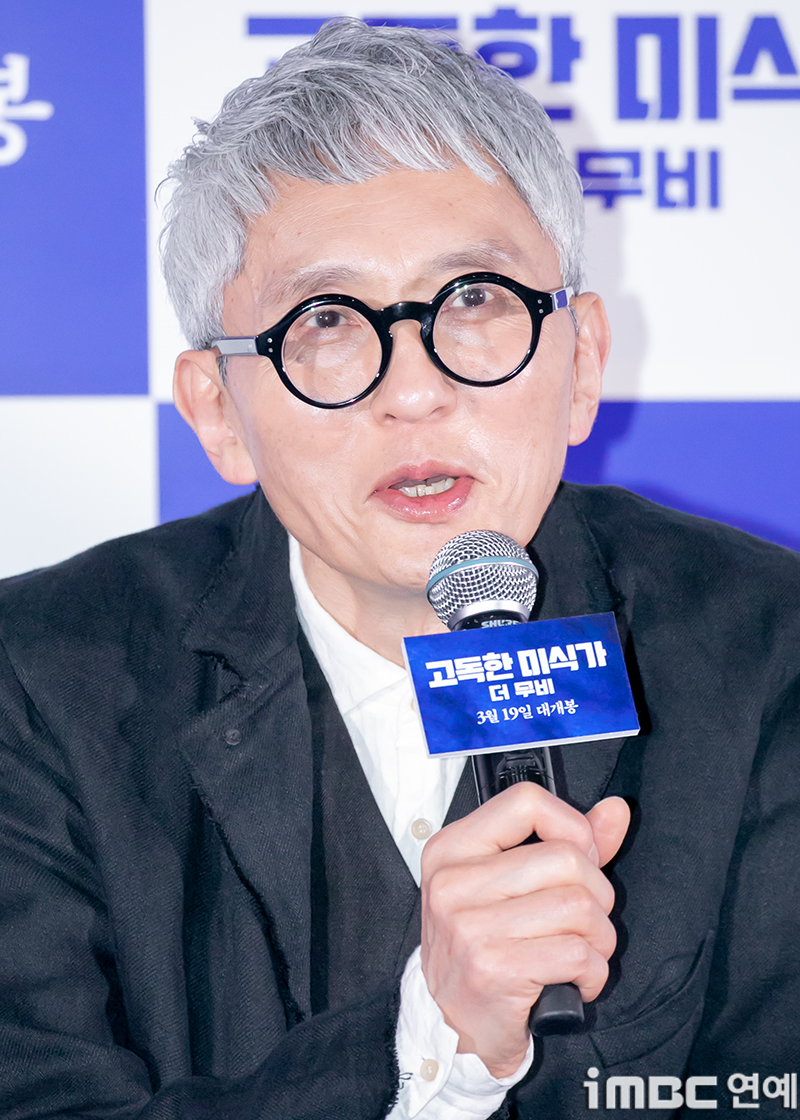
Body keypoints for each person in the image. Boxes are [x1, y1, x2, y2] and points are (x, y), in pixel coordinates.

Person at [0, 18, 798, 1119]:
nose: (415, 390)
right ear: (217, 411)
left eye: (473, 300)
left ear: (580, 364)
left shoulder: (770, 647)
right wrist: (433, 1040)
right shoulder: (36, 681)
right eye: (327, 320)